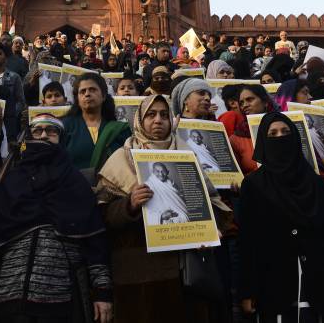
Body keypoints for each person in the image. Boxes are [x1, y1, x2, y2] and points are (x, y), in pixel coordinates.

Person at [95, 94, 232, 323]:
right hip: (139, 273)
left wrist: (209, 230)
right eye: (150, 114)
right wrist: (129, 205)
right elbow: (103, 215)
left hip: (186, 272)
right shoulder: (120, 160)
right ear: (139, 119)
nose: (158, 120)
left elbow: (211, 203)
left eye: (163, 115)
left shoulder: (188, 158)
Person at [0, 114, 112, 323]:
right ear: (29, 137)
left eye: (51, 131)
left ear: (61, 138)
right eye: (38, 130)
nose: (44, 135)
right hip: (11, 295)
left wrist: (102, 292)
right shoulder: (12, 181)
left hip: (63, 298)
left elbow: (94, 242)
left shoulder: (76, 183)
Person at [239, 112, 324, 322]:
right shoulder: (253, 185)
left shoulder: (315, 182)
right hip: (274, 283)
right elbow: (248, 241)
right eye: (273, 134)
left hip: (320, 281)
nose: (280, 137)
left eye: (285, 132)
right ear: (263, 140)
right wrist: (247, 290)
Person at [62, 73, 131, 179]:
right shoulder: (65, 126)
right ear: (77, 99)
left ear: (103, 96)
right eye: (82, 91)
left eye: (92, 90)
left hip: (112, 191)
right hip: (73, 189)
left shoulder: (120, 130)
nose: (87, 94)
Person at [229, 85, 277, 175]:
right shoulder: (236, 139)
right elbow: (237, 176)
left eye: (249, 100)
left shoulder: (281, 126)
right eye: (241, 103)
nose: (245, 105)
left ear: (265, 102)